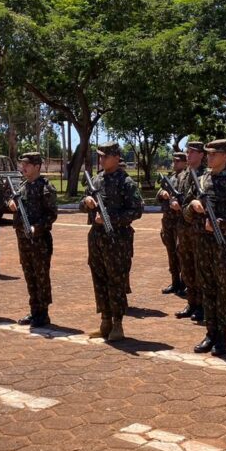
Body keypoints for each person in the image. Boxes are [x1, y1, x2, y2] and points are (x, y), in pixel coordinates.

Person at [184, 139, 226, 355]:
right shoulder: (200, 180)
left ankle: (222, 336)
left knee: (223, 290)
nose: (209, 157)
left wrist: (222, 223)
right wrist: (192, 206)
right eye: (208, 154)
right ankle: (210, 333)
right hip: (201, 243)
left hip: (222, 244)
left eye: (214, 154)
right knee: (207, 288)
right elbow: (185, 212)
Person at [81, 142, 144, 341]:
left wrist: (111, 218)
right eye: (100, 156)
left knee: (116, 281)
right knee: (99, 278)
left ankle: (118, 323)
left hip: (117, 239)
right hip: (97, 237)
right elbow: (83, 203)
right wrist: (87, 203)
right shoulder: (97, 180)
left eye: (105, 156)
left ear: (116, 157)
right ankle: (105, 320)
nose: (102, 160)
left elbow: (136, 210)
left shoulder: (126, 182)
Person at [10, 152, 59, 327]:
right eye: (22, 164)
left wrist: (37, 228)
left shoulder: (45, 187)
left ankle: (43, 313)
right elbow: (13, 202)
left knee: (41, 277)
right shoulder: (23, 186)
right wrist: (11, 205)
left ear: (37, 167)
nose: (23, 168)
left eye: (27, 165)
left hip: (39, 241)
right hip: (23, 239)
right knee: (29, 275)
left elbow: (51, 214)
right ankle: (34, 311)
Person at [173, 141, 207, 322]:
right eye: (188, 152)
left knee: (199, 267)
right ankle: (191, 302)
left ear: (202, 155)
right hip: (183, 229)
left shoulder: (204, 176)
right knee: (186, 268)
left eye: (192, 152)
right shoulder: (182, 175)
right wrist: (172, 201)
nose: (188, 155)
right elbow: (175, 194)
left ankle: (202, 305)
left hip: (198, 230)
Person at [157, 152, 187, 296]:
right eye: (173, 161)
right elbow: (160, 193)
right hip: (168, 220)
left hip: (180, 219)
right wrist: (162, 193)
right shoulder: (171, 177)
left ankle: (185, 282)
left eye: (177, 161)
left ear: (185, 162)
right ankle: (175, 281)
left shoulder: (187, 177)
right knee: (171, 252)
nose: (174, 163)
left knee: (182, 252)